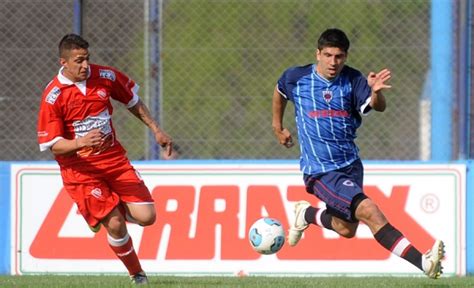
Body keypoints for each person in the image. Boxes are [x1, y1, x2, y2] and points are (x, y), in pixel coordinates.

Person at [272, 28, 445, 279]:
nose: (334, 62)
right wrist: (277, 127)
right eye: (328, 55)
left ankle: (306, 214)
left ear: (346, 56)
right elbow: (279, 92)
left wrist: (376, 93)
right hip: (321, 170)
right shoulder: (296, 77)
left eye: (339, 56)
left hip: (351, 165)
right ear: (318, 54)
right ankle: (424, 262)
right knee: (370, 211)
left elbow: (378, 107)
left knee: (346, 228)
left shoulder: (353, 81)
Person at [37, 34, 173, 285]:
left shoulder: (106, 77)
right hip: (82, 172)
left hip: (115, 161)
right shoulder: (53, 96)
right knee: (116, 224)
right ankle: (137, 274)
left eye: (87, 59)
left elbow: (132, 100)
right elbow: (53, 145)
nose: (85, 66)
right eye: (78, 61)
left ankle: (103, 211)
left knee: (147, 217)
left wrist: (156, 129)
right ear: (63, 62)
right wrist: (80, 142)